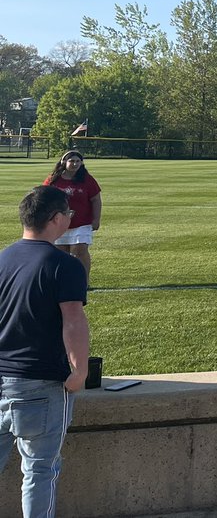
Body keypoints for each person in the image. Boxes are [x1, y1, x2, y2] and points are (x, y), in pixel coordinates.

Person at [0, 185, 90, 517]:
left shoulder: (4, 258)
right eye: (68, 213)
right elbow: (73, 321)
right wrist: (79, 371)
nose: (69, 218)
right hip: (40, 383)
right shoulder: (64, 265)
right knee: (39, 471)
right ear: (55, 219)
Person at [43, 150, 102, 288]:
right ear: (64, 162)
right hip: (59, 223)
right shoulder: (54, 179)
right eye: (72, 161)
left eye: (78, 161)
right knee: (61, 254)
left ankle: (84, 282)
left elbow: (96, 199)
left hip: (82, 222)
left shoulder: (87, 179)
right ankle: (63, 283)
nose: (75, 164)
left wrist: (96, 219)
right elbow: (43, 196)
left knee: (79, 250)